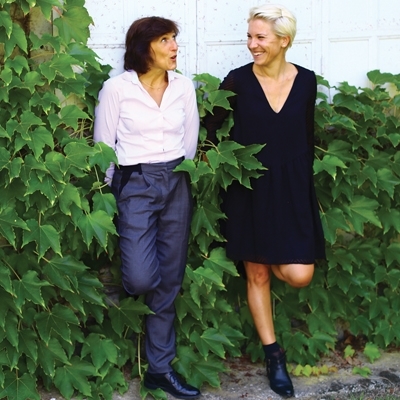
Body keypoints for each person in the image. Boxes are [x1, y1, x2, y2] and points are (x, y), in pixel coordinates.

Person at [204, 4, 326, 398]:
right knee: (256, 275)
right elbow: (210, 129)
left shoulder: (306, 82)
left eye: (261, 37)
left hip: (291, 190)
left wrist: (302, 185)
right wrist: (220, 164)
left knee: (300, 274)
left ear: (283, 41)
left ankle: (266, 252)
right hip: (249, 189)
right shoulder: (238, 81)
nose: (252, 44)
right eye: (250, 37)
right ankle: (274, 356)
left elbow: (306, 137)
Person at [93, 16, 201, 400]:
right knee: (141, 278)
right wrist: (114, 192)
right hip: (134, 182)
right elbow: (103, 147)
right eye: (165, 40)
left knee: (170, 280)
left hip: (176, 180)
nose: (174, 47)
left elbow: (190, 142)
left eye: (174, 39)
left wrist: (177, 176)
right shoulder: (117, 89)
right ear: (144, 47)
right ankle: (146, 323)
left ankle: (159, 369)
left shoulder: (183, 87)